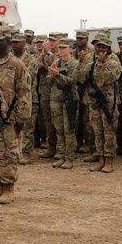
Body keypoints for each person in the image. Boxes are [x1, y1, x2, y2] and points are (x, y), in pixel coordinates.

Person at [0, 31, 31, 204]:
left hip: (9, 119)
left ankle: (8, 189)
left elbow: (24, 93)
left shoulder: (17, 65)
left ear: (8, 42)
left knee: (8, 154)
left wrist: (21, 119)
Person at [81, 37, 122, 173]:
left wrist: (104, 64)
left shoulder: (114, 65)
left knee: (109, 131)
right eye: (98, 47)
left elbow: (107, 79)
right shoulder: (90, 65)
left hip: (108, 103)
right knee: (97, 131)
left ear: (109, 50)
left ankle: (109, 160)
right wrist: (81, 62)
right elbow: (80, 78)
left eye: (104, 48)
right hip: (94, 103)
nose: (100, 50)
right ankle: (100, 159)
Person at [49, 38, 80, 169]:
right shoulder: (56, 62)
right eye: (60, 48)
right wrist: (52, 75)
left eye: (64, 48)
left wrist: (58, 75)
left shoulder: (75, 64)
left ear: (71, 49)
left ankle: (69, 157)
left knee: (69, 130)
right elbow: (47, 79)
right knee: (59, 129)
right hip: (56, 98)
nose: (61, 50)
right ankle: (61, 155)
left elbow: (73, 81)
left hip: (69, 100)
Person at [12, 33, 38, 164]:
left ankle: (26, 152)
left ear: (24, 43)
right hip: (11, 99)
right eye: (13, 42)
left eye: (17, 42)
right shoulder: (8, 59)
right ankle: (15, 150)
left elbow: (29, 78)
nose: (14, 44)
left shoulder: (31, 60)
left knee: (27, 126)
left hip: (27, 98)